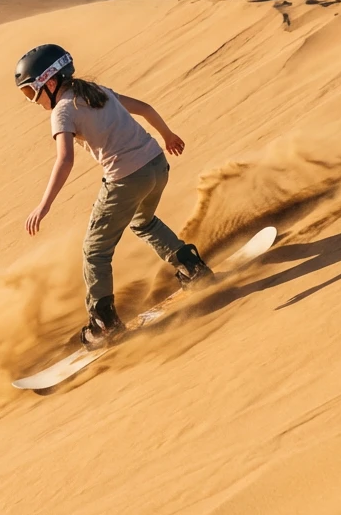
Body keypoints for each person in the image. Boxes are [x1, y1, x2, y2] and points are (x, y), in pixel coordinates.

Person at [16, 44, 212, 348]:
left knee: (95, 251)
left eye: (31, 93)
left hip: (126, 178)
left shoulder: (62, 111)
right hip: (157, 165)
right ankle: (192, 266)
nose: (32, 101)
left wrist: (44, 205)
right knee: (143, 221)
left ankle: (104, 324)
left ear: (50, 82)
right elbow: (144, 108)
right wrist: (168, 135)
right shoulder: (96, 90)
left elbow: (64, 159)